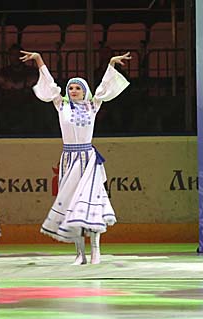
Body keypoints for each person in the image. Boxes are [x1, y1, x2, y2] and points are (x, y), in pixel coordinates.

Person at [21, 50, 131, 265]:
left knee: (89, 204)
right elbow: (50, 83)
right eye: (70, 87)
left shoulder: (93, 105)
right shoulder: (61, 105)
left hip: (88, 160)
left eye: (77, 88)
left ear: (85, 91)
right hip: (69, 160)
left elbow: (104, 86)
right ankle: (80, 253)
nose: (73, 91)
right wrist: (38, 59)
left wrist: (110, 63)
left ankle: (96, 250)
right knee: (72, 206)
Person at [0, 44, 39, 134]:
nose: (15, 58)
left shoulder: (31, 70)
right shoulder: (3, 71)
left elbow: (34, 79)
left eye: (18, 55)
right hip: (7, 104)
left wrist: (19, 85)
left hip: (27, 103)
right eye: (12, 55)